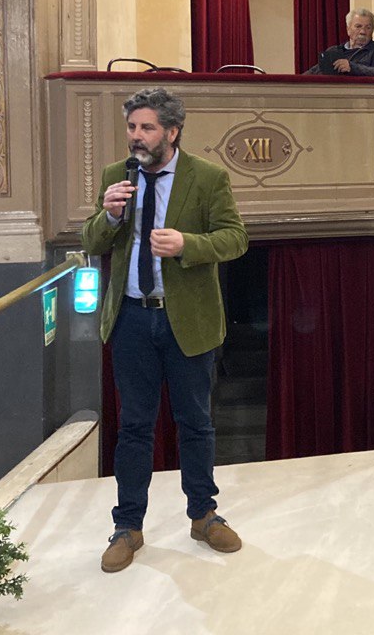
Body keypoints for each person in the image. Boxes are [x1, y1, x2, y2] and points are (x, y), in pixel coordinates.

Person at [81, 87, 249, 573]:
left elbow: (235, 238)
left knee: (195, 422)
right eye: (132, 127)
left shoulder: (207, 177)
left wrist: (187, 244)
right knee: (134, 426)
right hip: (132, 319)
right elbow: (91, 239)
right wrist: (109, 215)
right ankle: (127, 526)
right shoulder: (116, 175)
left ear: (172, 132)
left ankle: (203, 515)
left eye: (147, 127)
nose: (136, 136)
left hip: (187, 319)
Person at [304, 8, 374, 76]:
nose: (363, 31)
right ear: (348, 29)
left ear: (372, 30)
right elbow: (313, 72)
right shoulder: (334, 50)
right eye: (358, 26)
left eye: (368, 28)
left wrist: (352, 67)